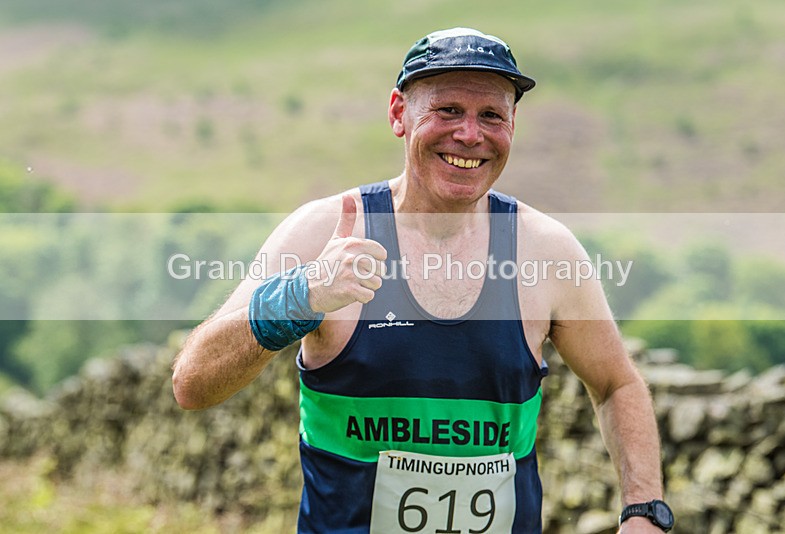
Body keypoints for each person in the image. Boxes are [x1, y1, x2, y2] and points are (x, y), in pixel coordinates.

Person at [172, 27, 673, 533]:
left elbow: (616, 384)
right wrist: (301, 295)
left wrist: (644, 511)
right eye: (448, 110)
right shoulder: (324, 232)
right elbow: (193, 383)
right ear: (399, 114)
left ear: (512, 126)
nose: (470, 135)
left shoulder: (547, 250)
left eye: (491, 115)